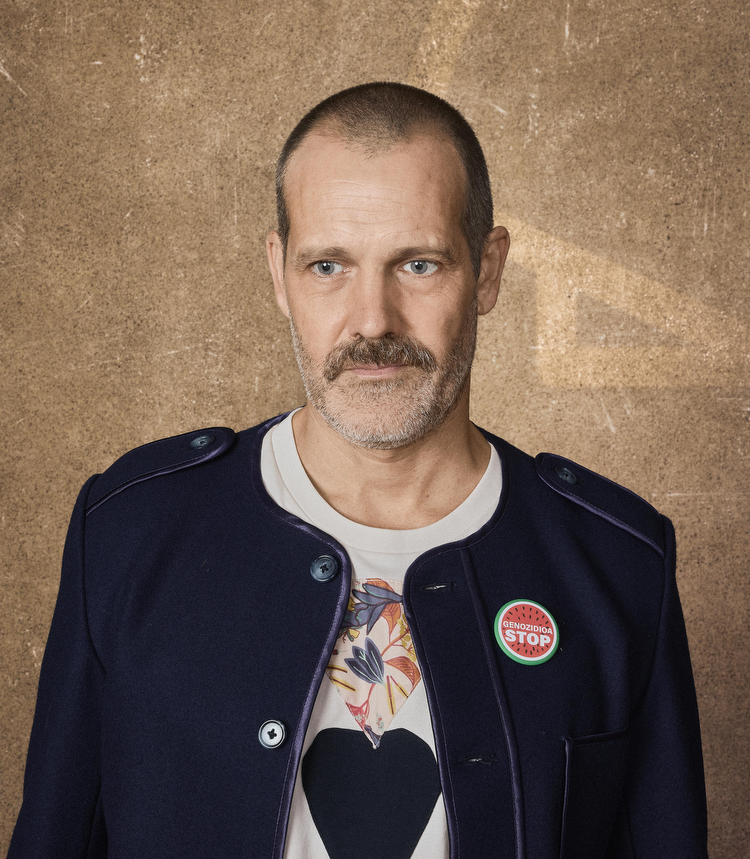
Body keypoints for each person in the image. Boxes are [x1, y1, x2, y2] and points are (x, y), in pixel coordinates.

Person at [9, 82, 707, 859]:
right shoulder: (129, 531)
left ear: (488, 272)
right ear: (279, 274)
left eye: (419, 264)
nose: (373, 319)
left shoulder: (618, 565)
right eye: (328, 266)